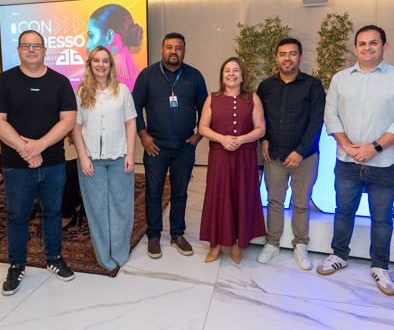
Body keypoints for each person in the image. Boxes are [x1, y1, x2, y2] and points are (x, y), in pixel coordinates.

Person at [317, 25, 394, 296]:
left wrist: (374, 148)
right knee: (343, 212)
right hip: (347, 160)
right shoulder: (340, 79)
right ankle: (339, 255)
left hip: (385, 163)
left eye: (373, 43)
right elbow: (331, 115)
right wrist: (347, 146)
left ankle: (380, 266)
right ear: (355, 49)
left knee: (382, 218)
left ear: (384, 46)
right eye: (362, 44)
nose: (367, 48)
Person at [0, 30, 77, 293]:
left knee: (53, 212)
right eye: (26, 45)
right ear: (18, 50)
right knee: (17, 216)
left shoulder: (60, 82)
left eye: (36, 45)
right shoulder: (3, 81)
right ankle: (16, 265)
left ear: (45, 50)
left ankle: (54, 257)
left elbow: (68, 120)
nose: (31, 49)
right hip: (16, 164)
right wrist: (25, 149)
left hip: (53, 162)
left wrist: (39, 145)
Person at [132, 33, 207, 259]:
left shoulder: (194, 76)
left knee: (180, 192)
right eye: (169, 47)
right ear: (162, 49)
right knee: (153, 192)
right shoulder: (147, 75)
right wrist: (143, 135)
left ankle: (177, 234)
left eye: (178, 48)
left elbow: (206, 108)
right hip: (155, 146)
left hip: (184, 147)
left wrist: (199, 135)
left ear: (184, 51)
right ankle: (154, 236)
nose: (174, 51)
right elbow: (135, 106)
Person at [256, 38, 326, 270]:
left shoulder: (313, 85)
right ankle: (272, 243)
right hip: (274, 156)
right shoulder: (266, 86)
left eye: (292, 54)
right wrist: (264, 139)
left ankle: (301, 244)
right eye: (283, 54)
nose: (287, 58)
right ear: (276, 58)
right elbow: (260, 118)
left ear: (300, 57)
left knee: (301, 203)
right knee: (274, 201)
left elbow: (316, 122)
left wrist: (300, 151)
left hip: (305, 157)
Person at [71, 46, 137, 270]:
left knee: (121, 207)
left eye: (105, 61)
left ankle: (119, 252)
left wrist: (130, 154)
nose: (101, 65)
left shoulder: (122, 91)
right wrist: (83, 157)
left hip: (119, 156)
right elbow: (76, 128)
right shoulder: (81, 92)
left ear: (111, 65)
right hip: (91, 160)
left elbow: (131, 123)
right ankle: (104, 258)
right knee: (97, 209)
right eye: (96, 60)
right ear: (90, 64)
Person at [198, 57, 266, 263]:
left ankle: (237, 244)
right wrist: (222, 139)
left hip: (245, 157)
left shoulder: (253, 99)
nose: (231, 74)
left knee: (241, 197)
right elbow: (203, 127)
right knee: (218, 197)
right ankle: (215, 245)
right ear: (222, 75)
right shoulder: (212, 98)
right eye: (227, 70)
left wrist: (241, 140)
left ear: (242, 75)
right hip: (220, 156)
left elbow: (261, 129)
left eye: (236, 70)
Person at [85, 4, 144, 89]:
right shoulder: (140, 79)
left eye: (91, 36)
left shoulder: (124, 86)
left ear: (110, 36)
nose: (87, 46)